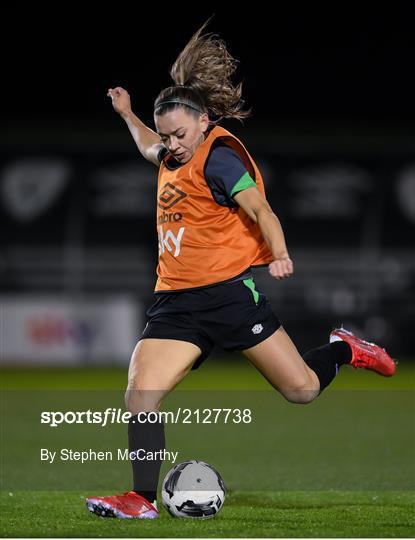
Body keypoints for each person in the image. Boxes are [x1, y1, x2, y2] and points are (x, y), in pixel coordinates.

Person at [86, 22, 395, 519]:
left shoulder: (221, 158)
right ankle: (141, 499)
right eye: (167, 135)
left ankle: (343, 348)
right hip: (177, 304)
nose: (172, 145)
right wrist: (127, 114)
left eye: (180, 135)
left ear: (204, 121)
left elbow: (260, 210)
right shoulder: (168, 150)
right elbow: (147, 144)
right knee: (140, 393)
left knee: (302, 391)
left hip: (230, 296)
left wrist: (279, 253)